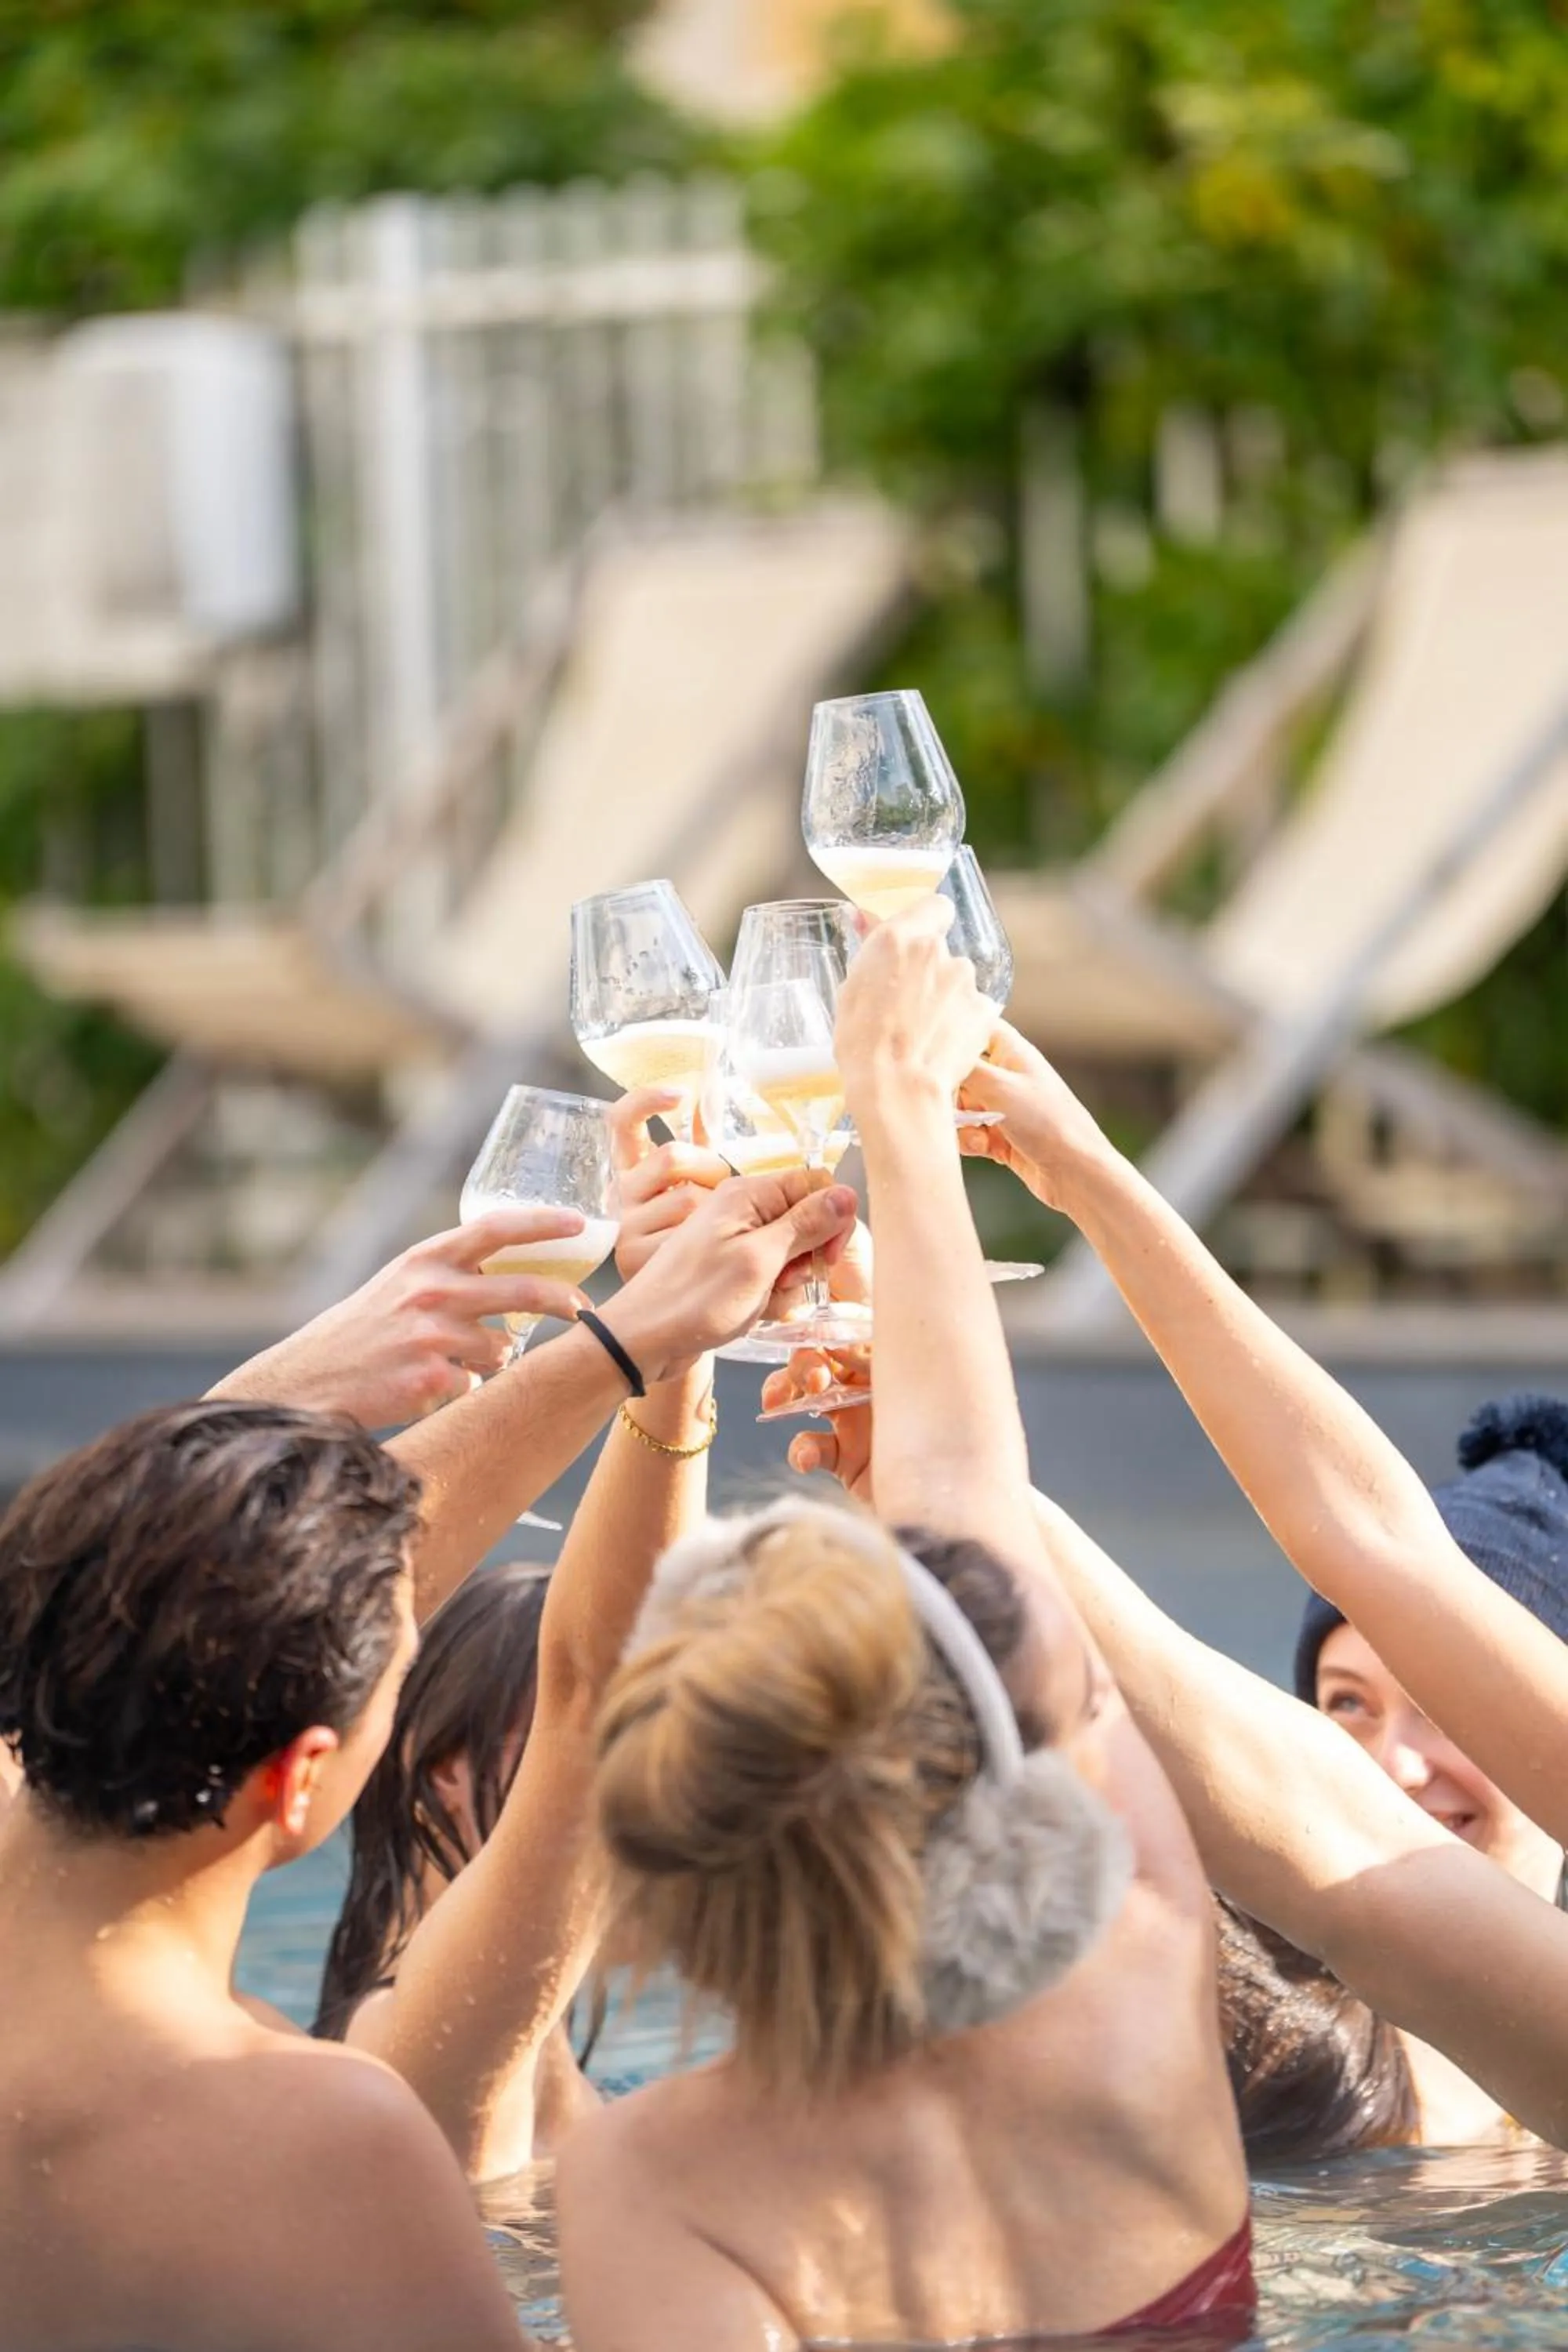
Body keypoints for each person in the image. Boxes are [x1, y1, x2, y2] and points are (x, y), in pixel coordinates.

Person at [0, 1164, 857, 2352]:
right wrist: (650, 1352)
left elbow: (119, 1610)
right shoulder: (314, 2132)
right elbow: (588, 1704)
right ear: (300, 1781)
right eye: (386, 1683)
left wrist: (640, 1341)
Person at [557, 898, 1256, 2352]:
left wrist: (665, 1341)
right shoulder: (1137, 1963)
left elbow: (577, 1683)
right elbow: (968, 1498)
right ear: (999, 1773)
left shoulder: (652, 2178)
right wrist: (899, 1108)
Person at [314, 1091, 730, 2179]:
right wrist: (672, 1337)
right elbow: (602, 1689)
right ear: (439, 1772)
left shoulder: (563, 2094)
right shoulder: (400, 2063)